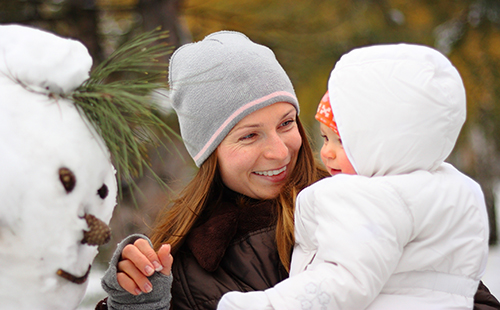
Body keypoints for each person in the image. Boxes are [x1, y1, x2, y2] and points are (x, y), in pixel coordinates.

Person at [96, 33, 500, 310]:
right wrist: (139, 302)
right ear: (209, 152)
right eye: (249, 135)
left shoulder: (375, 200)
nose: (278, 151)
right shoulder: (184, 264)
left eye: (287, 123)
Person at [216, 43, 495, 310]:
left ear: (385, 141)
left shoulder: (369, 198)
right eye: (325, 139)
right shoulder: (456, 189)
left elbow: (343, 282)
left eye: (342, 141)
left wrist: (266, 305)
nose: (327, 153)